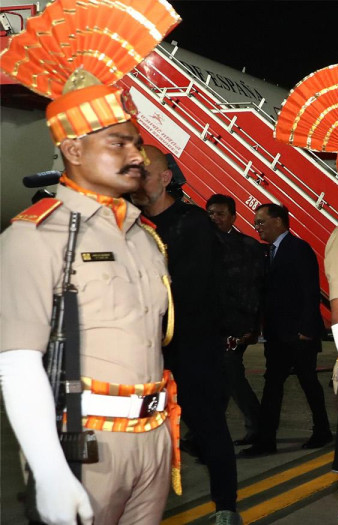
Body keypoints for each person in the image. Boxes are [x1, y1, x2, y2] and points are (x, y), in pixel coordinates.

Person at [0, 4, 180, 523]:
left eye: (138, 143)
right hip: (86, 448)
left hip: (154, 440)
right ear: (74, 149)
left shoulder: (145, 236)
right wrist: (50, 470)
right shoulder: (35, 236)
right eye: (119, 143)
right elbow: (16, 362)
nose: (138, 156)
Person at [131, 145, 242, 523]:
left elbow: (191, 290)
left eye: (145, 171)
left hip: (192, 348)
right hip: (145, 351)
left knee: (209, 426)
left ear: (165, 179)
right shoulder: (128, 224)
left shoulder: (191, 223)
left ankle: (226, 508)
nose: (137, 178)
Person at [241, 203, 332, 457]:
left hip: (298, 334)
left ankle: (322, 430)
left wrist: (306, 329)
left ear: (279, 222)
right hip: (276, 334)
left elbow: (309, 291)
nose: (256, 227)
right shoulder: (268, 252)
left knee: (308, 382)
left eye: (260, 222)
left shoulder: (297, 249)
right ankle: (266, 440)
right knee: (273, 386)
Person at [206, 193, 266, 446]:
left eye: (220, 214)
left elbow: (258, 289)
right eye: (210, 213)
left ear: (233, 217)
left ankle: (258, 427)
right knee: (216, 378)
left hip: (237, 325)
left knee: (230, 374)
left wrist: (253, 326)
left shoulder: (248, 247)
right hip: (209, 324)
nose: (215, 218)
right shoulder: (201, 245)